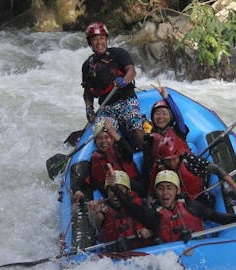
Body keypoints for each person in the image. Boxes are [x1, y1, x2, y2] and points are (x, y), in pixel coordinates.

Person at [81, 21, 145, 149]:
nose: (99, 42)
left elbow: (131, 71)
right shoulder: (87, 65)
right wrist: (89, 110)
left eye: (102, 38)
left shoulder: (118, 53)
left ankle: (146, 153)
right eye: (94, 39)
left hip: (126, 100)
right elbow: (87, 92)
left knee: (137, 133)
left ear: (107, 39)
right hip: (106, 107)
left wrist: (124, 81)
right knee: (102, 137)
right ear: (90, 43)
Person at [151, 170, 236, 243]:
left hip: (198, 246)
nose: (165, 193)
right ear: (155, 192)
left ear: (177, 190)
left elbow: (214, 216)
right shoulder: (151, 213)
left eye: (169, 188)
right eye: (160, 188)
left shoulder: (189, 205)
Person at [147, 136, 236, 204]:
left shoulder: (189, 160)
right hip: (173, 201)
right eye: (168, 161)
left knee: (209, 202)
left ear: (180, 155)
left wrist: (235, 187)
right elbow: (151, 191)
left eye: (174, 159)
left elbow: (217, 169)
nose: (172, 163)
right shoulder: (159, 166)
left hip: (197, 196)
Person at [73, 117, 144, 201]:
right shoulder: (94, 159)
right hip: (111, 199)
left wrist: (111, 131)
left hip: (130, 195)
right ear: (95, 141)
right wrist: (76, 190)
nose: (103, 141)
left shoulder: (120, 153)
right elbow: (81, 179)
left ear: (112, 139)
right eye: (99, 138)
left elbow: (127, 151)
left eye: (107, 137)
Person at [87, 169, 154, 251]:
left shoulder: (141, 205)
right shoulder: (103, 209)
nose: (115, 195)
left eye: (120, 190)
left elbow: (157, 225)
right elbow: (95, 223)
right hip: (115, 257)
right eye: (111, 190)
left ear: (127, 191)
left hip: (142, 252)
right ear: (107, 191)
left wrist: (150, 231)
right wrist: (93, 213)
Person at [142, 84, 191, 185]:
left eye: (164, 113)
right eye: (157, 113)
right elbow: (148, 164)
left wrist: (166, 97)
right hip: (164, 177)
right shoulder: (150, 138)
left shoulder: (178, 130)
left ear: (171, 117)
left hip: (184, 173)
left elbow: (179, 118)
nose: (160, 117)